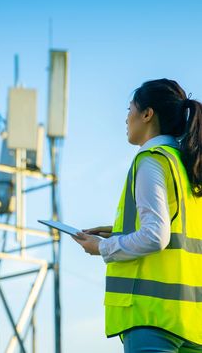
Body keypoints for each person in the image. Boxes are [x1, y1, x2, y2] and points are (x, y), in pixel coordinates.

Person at [72, 79, 202, 352]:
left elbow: (156, 235)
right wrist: (119, 231)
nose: (126, 118)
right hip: (192, 323)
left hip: (152, 319)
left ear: (147, 114)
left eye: (129, 109)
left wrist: (103, 247)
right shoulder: (189, 168)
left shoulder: (152, 159)